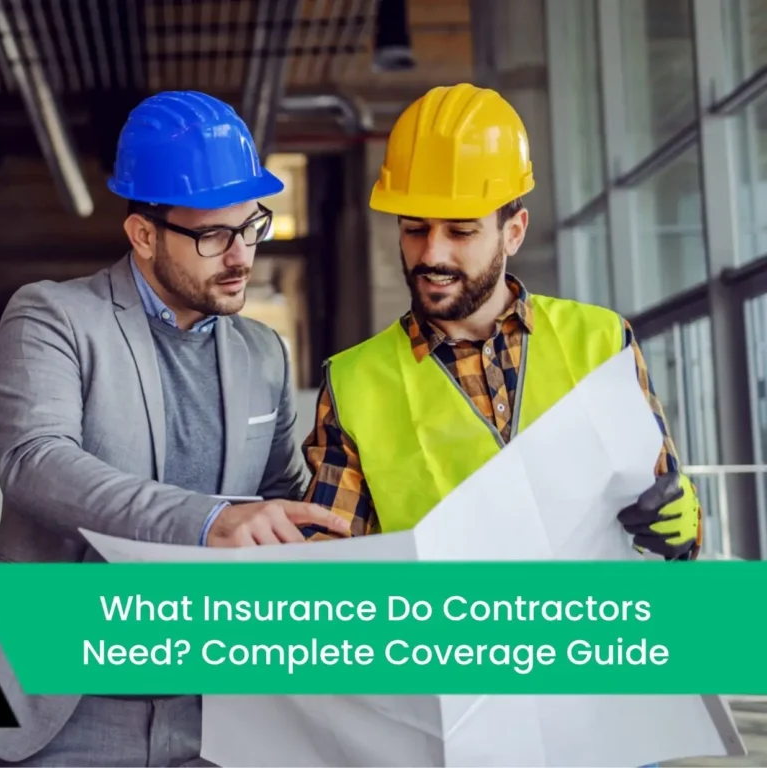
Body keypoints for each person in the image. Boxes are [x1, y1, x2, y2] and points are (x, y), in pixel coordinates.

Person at [0, 90, 347, 767]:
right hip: (63, 702)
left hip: (210, 706)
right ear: (143, 234)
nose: (240, 257)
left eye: (251, 226)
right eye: (212, 236)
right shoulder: (53, 316)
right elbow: (35, 461)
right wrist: (209, 522)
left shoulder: (262, 353)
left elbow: (279, 493)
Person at [299, 83, 702, 561]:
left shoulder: (602, 341)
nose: (432, 253)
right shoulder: (352, 383)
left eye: (461, 231)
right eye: (414, 229)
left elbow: (663, 503)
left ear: (514, 233)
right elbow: (327, 559)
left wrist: (682, 521)